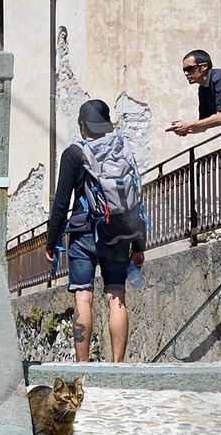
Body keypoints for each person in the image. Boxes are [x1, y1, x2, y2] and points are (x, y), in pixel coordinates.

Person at [44, 100, 146, 365]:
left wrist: (51, 241)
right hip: (117, 233)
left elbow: (61, 203)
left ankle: (83, 367)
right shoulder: (121, 149)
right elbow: (136, 198)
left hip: (83, 235)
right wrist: (139, 244)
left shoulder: (74, 153)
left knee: (83, 297)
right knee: (116, 296)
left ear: (82, 126)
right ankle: (118, 365)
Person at [168, 48, 221, 137]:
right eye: (184, 70)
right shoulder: (203, 89)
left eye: (189, 69)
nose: (186, 73)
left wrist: (188, 125)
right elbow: (202, 126)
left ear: (204, 66)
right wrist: (185, 130)